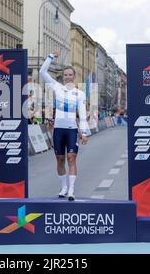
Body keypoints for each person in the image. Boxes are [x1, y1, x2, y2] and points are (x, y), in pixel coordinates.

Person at [40, 51, 89, 201]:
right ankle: (63, 187)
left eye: (70, 74)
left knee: (71, 158)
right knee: (60, 159)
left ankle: (72, 190)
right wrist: (50, 56)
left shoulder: (79, 94)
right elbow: (42, 71)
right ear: (63, 76)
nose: (68, 76)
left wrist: (85, 132)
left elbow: (81, 113)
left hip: (72, 130)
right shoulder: (57, 87)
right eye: (66, 75)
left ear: (74, 76)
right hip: (59, 130)